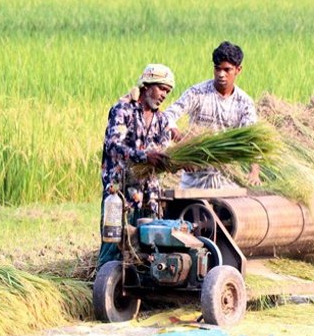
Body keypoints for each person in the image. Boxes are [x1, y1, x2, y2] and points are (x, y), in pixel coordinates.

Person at [97, 64, 175, 268]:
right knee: (113, 246)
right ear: (147, 85)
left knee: (148, 250)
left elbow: (165, 151)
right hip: (121, 193)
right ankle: (104, 289)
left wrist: (177, 162)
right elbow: (113, 145)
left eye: (168, 91)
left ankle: (145, 297)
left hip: (149, 196)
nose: (164, 95)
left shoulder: (162, 120)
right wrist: (144, 156)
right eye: (161, 88)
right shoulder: (123, 110)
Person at [164, 41, 261, 189]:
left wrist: (254, 172)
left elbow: (251, 139)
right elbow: (167, 116)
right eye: (217, 69)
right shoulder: (198, 93)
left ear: (238, 70)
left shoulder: (244, 103)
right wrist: (180, 137)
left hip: (227, 178)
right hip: (194, 177)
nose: (221, 74)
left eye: (227, 70)